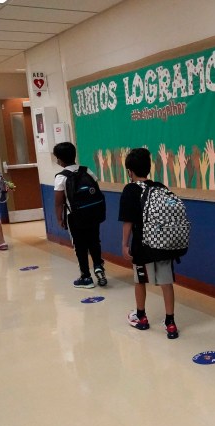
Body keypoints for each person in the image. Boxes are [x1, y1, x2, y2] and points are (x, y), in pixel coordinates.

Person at [118, 147, 178, 339]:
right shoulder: (160, 187)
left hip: (142, 246)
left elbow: (128, 221)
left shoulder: (130, 190)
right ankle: (170, 323)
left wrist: (124, 244)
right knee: (166, 282)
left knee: (140, 280)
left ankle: (141, 317)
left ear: (130, 172)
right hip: (163, 244)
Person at [52, 142, 107, 289]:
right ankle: (99, 267)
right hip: (93, 214)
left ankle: (86, 277)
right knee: (94, 241)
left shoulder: (61, 177)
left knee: (80, 246)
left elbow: (58, 202)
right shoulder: (87, 170)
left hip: (75, 217)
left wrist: (59, 219)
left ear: (60, 160)